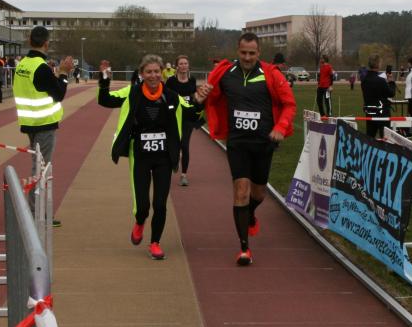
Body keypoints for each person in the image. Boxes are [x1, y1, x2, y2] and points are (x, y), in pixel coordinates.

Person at [197, 32, 297, 266]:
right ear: (237, 51)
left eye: (252, 53)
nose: (247, 57)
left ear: (259, 52)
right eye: (243, 52)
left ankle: (250, 213)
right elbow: (211, 96)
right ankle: (244, 249)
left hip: (263, 143)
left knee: (258, 194)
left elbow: (289, 104)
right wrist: (202, 95)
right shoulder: (226, 73)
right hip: (237, 143)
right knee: (240, 191)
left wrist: (280, 127)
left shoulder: (271, 74)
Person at [98, 54, 200, 260]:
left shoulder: (171, 96)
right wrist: (105, 79)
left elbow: (192, 114)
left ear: (162, 72)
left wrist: (200, 101)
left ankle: (155, 243)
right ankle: (140, 221)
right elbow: (105, 100)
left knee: (160, 204)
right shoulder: (132, 92)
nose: (153, 76)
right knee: (143, 206)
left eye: (156, 71)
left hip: (164, 156)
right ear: (141, 74)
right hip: (140, 155)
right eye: (148, 72)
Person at [12, 26, 72, 226]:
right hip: (44, 123)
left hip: (29, 122)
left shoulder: (22, 64)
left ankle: (35, 211)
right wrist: (63, 74)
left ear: (30, 41)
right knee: (41, 169)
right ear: (46, 43)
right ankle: (36, 213)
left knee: (37, 166)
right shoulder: (41, 67)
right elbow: (59, 94)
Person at [166, 55, 201, 186]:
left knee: (185, 145)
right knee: (174, 145)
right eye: (181, 63)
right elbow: (166, 97)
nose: (183, 66)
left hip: (187, 118)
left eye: (185, 63)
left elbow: (194, 96)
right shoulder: (171, 81)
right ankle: (174, 162)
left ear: (188, 65)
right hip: (174, 118)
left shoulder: (192, 80)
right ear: (177, 66)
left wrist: (198, 101)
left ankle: (184, 175)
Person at [361, 55, 395, 139]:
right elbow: (391, 93)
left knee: (369, 137)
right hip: (382, 113)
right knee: (385, 139)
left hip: (370, 111)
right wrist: (391, 82)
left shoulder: (364, 80)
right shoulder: (381, 81)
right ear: (378, 64)